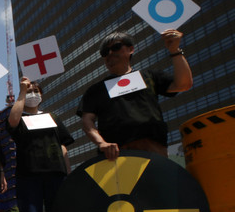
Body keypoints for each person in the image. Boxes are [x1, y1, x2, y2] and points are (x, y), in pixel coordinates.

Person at [78, 29, 193, 160]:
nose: (110, 53)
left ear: (131, 49)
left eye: (116, 47)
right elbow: (87, 120)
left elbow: (183, 84)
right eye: (105, 52)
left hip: (153, 148)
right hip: (115, 154)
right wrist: (102, 143)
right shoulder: (95, 90)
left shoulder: (150, 77)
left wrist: (175, 51)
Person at [8, 77, 73, 212]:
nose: (32, 94)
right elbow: (12, 121)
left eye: (35, 91)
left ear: (42, 96)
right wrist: (21, 91)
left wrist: (67, 171)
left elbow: (63, 145)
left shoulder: (52, 117)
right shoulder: (19, 117)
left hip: (56, 173)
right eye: (28, 92)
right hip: (29, 174)